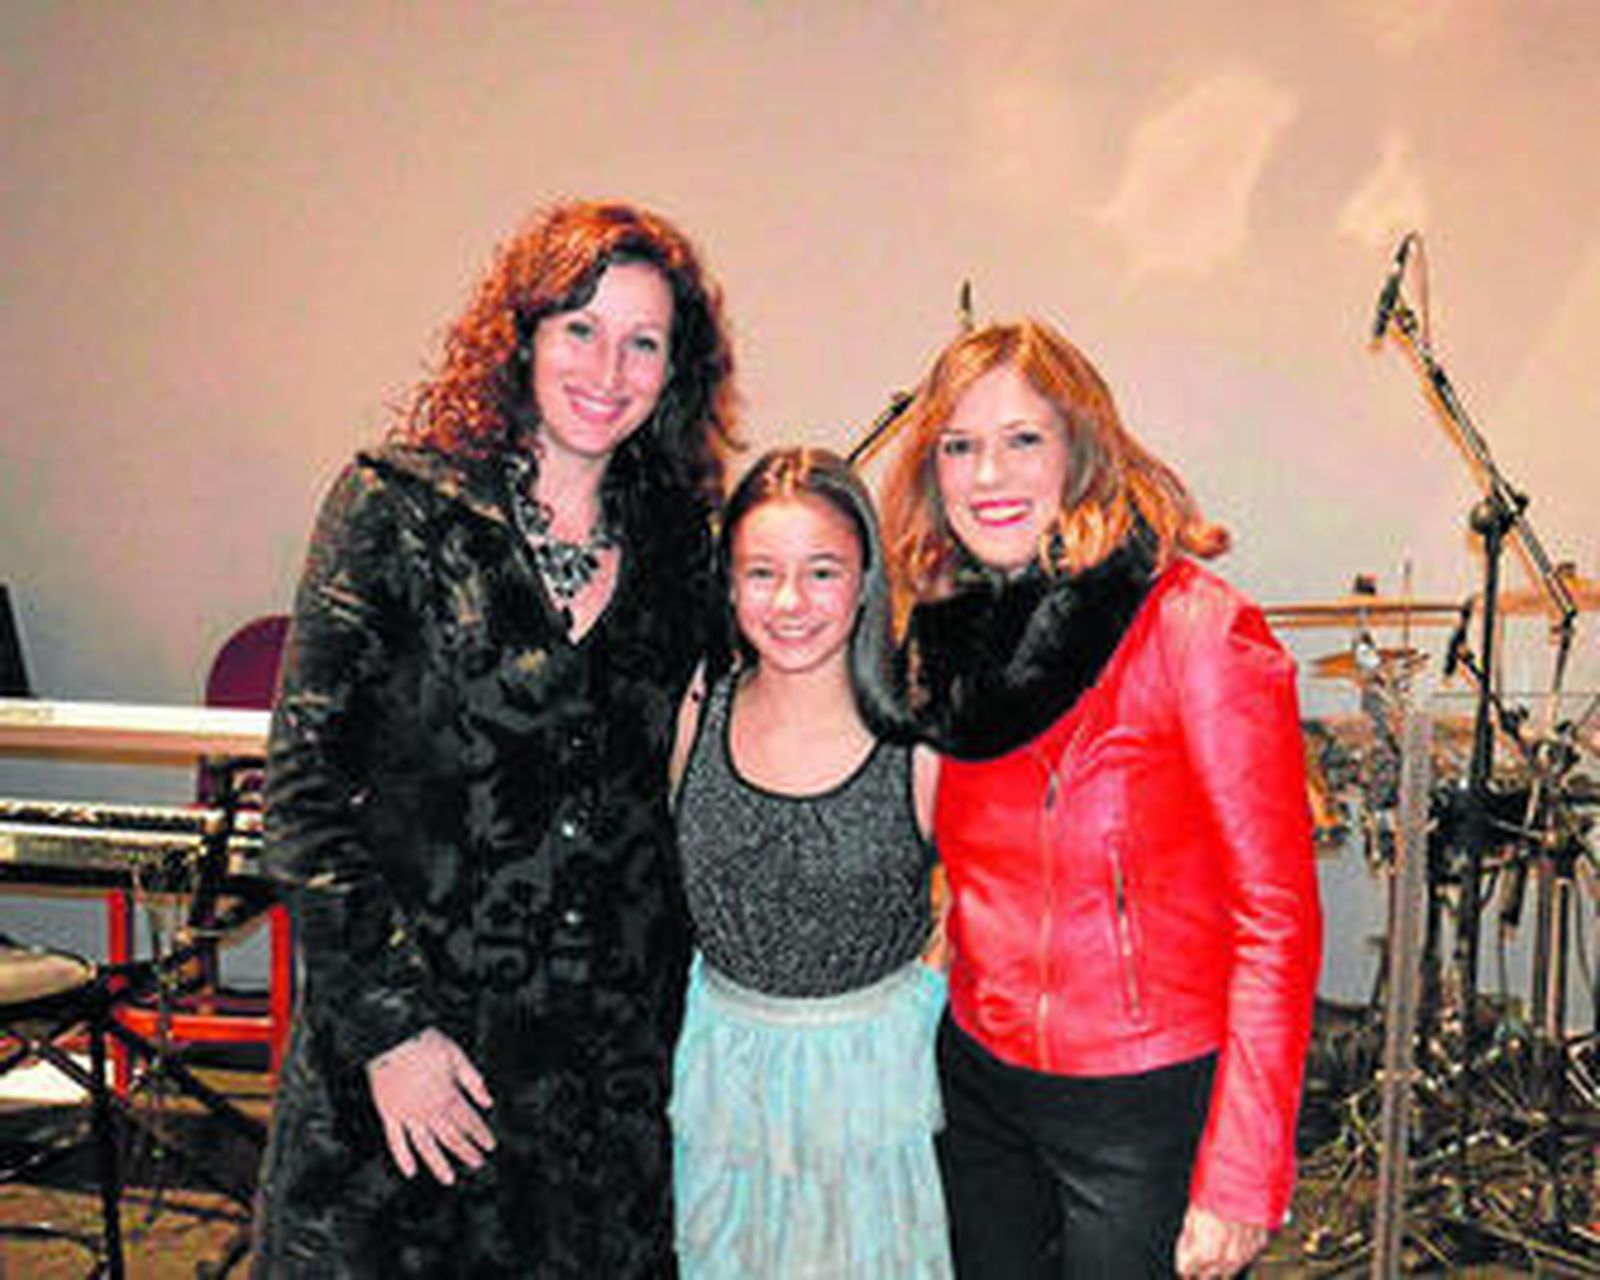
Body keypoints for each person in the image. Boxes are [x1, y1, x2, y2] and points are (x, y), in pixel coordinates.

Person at [252, 199, 737, 1276]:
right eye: (580, 328)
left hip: (599, 1083)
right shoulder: (394, 509)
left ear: (674, 371)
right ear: (521, 336)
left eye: (643, 342)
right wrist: (391, 1032)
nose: (607, 368)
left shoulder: (679, 550)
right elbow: (303, 793)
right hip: (414, 1058)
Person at [880, 319, 1322, 1278]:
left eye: (1022, 439)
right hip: (979, 1092)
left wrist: (1242, 1175)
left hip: (1143, 1108)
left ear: (1080, 448)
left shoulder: (1195, 628)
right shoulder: (948, 648)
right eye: (959, 446)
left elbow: (1276, 917)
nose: (988, 475)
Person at [668, 447, 952, 1278]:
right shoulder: (696, 709)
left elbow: (982, 901)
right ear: (729, 584)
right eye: (762, 573)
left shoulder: (917, 736)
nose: (790, 601)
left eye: (821, 571)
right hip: (724, 1077)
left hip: (877, 1089)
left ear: (865, 580)